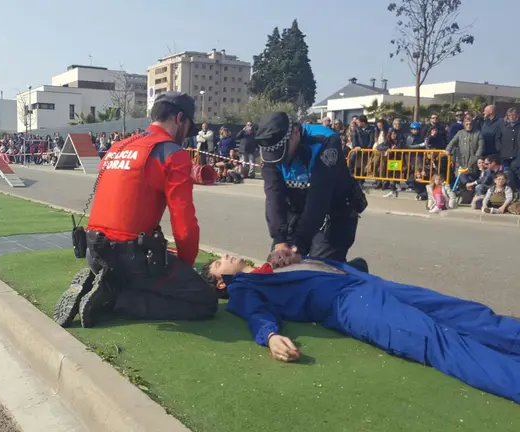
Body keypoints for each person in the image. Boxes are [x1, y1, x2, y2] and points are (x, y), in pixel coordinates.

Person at [200, 253, 520, 404]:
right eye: (218, 263)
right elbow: (255, 313)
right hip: (349, 304)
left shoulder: (269, 265)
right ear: (220, 282)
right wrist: (270, 337)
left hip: (365, 282)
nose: (224, 257)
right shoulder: (243, 287)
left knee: (466, 313)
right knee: (436, 341)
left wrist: (295, 255)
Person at [52, 92, 218, 329]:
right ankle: (113, 299)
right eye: (188, 127)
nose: (186, 137)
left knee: (146, 274)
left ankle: (102, 283)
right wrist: (186, 266)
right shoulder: (172, 154)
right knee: (204, 301)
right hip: (132, 260)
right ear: (180, 118)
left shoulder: (116, 148)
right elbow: (184, 222)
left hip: (93, 252)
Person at [256, 112, 366, 265]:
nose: (280, 161)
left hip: (334, 210)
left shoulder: (325, 140)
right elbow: (274, 196)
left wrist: (297, 247)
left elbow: (319, 198)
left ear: (295, 132)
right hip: (297, 209)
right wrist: (280, 240)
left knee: (318, 269)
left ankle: (356, 269)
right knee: (278, 266)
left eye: (282, 154)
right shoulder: (270, 150)